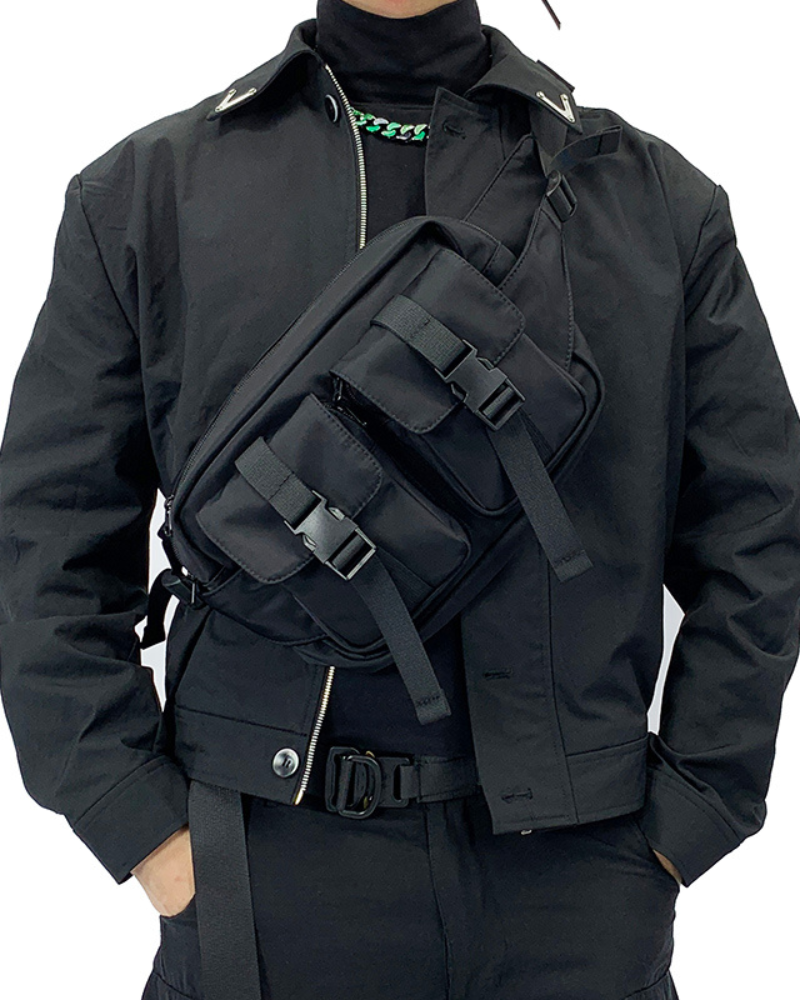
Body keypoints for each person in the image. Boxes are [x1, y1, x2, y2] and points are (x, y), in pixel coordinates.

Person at [1, 1, 798, 998]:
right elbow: (46, 544)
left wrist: (686, 822)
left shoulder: (653, 201)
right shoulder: (147, 192)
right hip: (261, 876)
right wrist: (145, 828)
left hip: (581, 888)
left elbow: (762, 531)